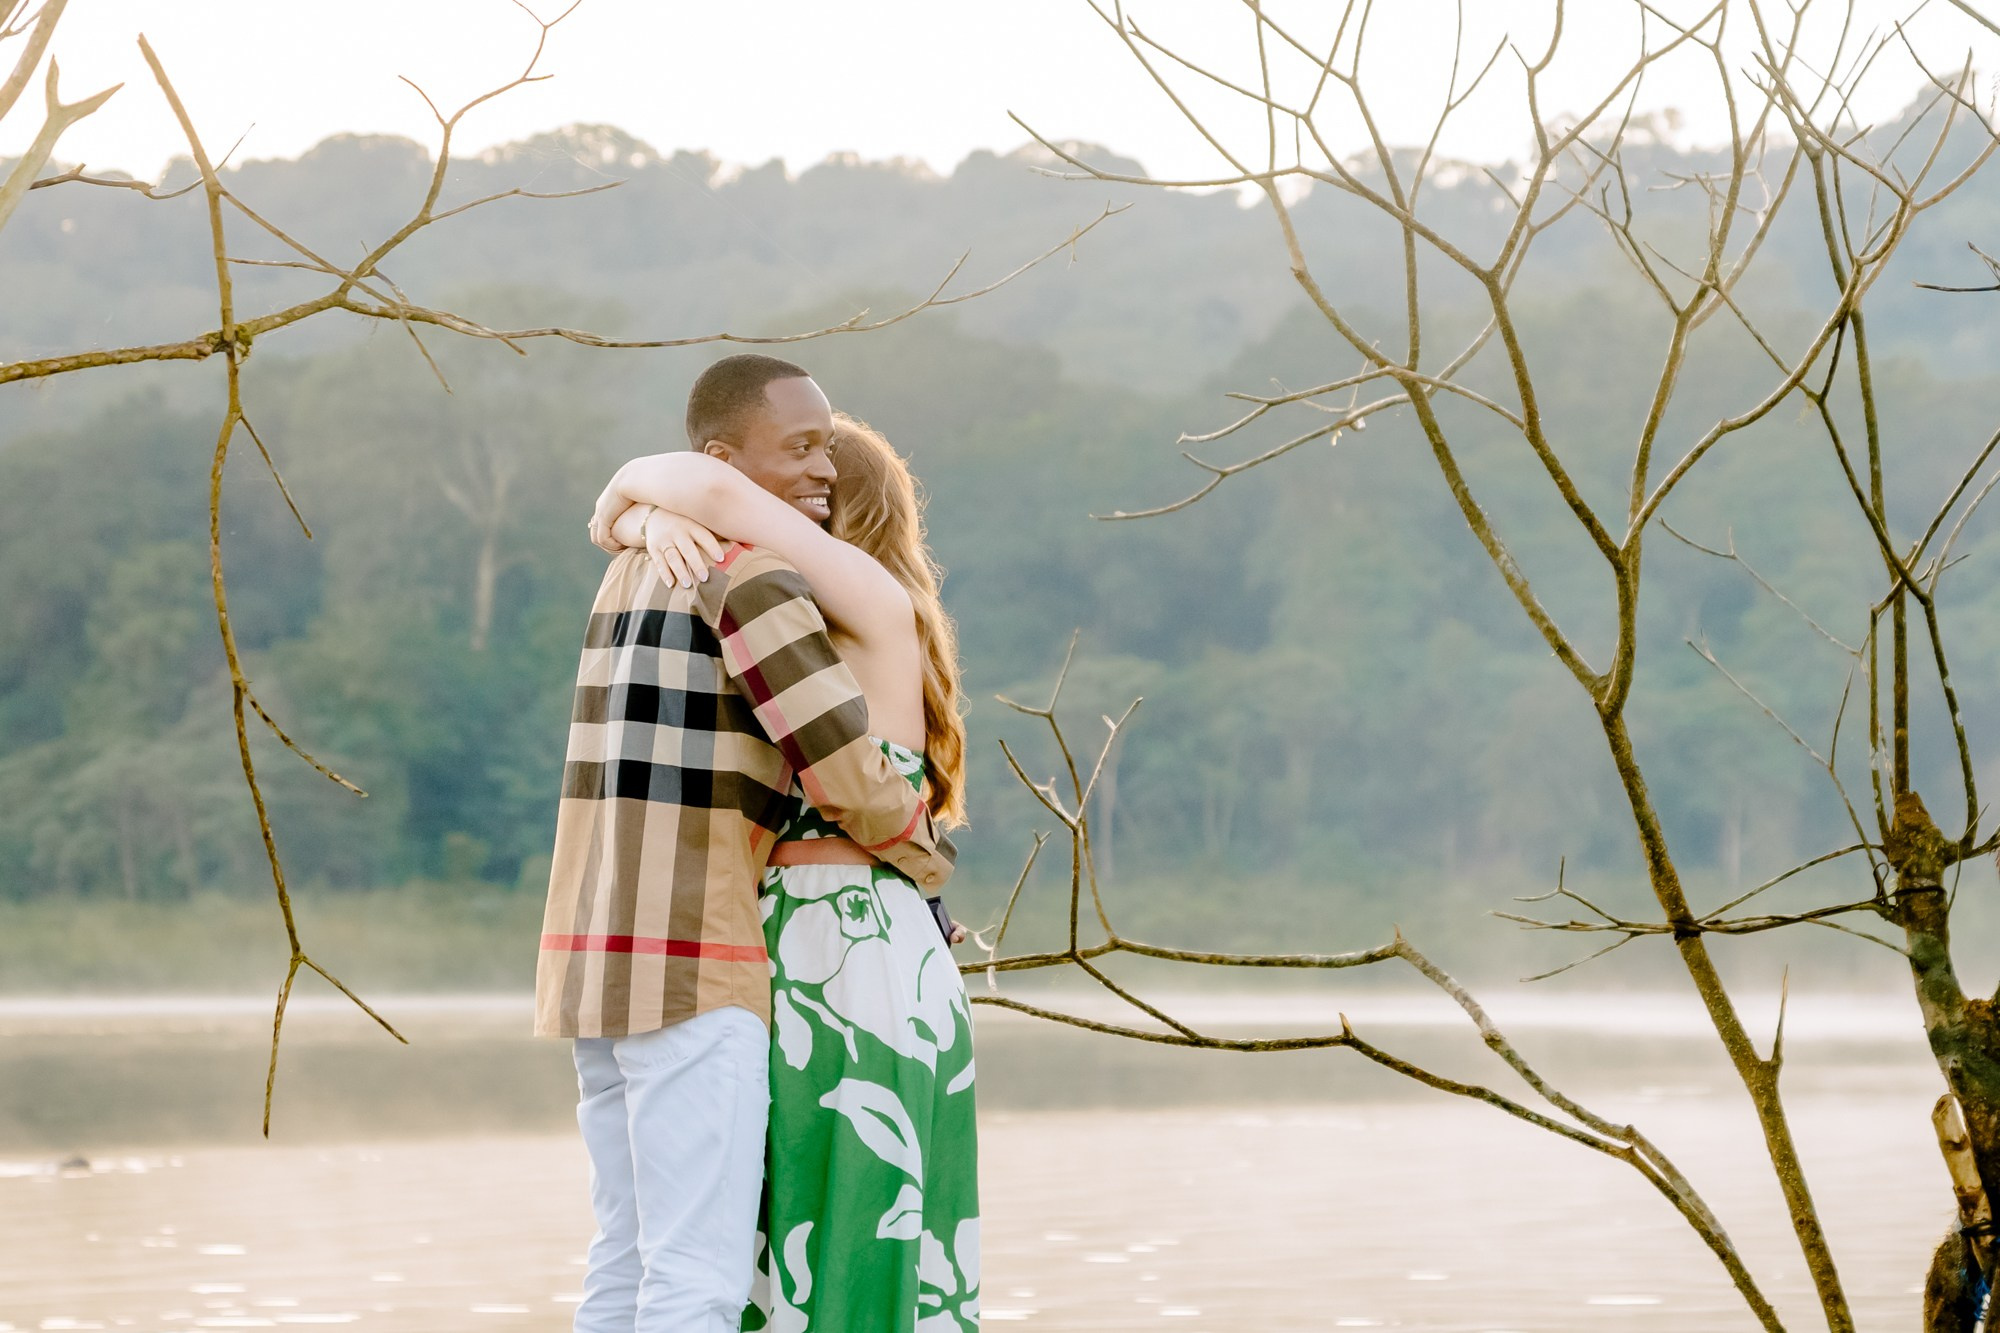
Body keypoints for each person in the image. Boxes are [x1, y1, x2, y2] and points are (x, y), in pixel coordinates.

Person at [537, 353, 958, 1333]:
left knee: (623, 1260)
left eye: (828, 453)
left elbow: (636, 507)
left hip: (590, 962)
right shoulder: (755, 580)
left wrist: (634, 511)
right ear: (724, 461)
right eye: (800, 447)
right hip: (696, 957)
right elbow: (846, 772)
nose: (819, 469)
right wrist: (925, 866)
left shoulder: (629, 567)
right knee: (698, 1279)